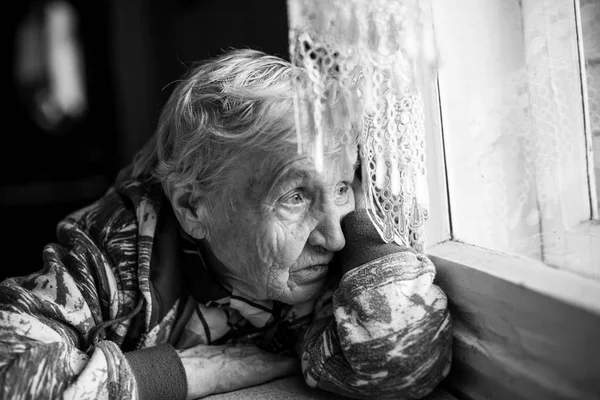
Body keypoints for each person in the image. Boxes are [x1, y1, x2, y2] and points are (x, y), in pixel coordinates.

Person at [0, 48, 452, 400]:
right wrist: (187, 372)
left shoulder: (327, 263)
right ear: (194, 208)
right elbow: (15, 379)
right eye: (294, 196)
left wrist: (368, 231)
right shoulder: (115, 249)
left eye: (339, 187)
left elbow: (398, 365)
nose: (333, 236)